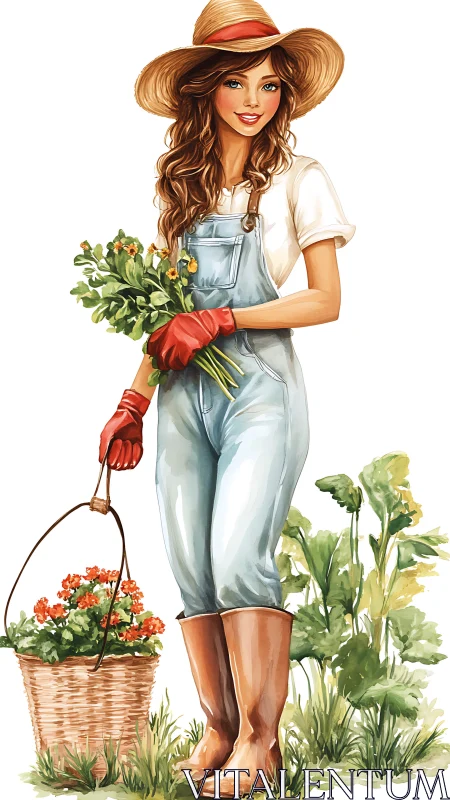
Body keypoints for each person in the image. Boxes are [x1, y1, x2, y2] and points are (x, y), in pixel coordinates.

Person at [99, 0, 355, 795]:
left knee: (239, 556)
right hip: (182, 393)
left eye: (271, 85)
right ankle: (217, 729)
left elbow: (325, 300)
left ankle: (260, 739)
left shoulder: (299, 180)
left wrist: (223, 317)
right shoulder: (178, 188)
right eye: (237, 81)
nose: (254, 99)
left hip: (258, 389)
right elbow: (159, 310)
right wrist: (135, 399)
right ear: (205, 89)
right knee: (191, 566)